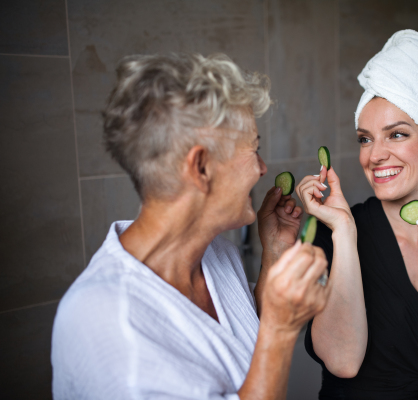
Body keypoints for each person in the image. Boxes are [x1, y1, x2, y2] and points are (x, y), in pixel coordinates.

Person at [51, 53, 330, 400]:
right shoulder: (107, 324)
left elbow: (235, 347)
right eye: (253, 150)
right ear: (200, 167)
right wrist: (282, 329)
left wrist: (273, 255)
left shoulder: (216, 253)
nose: (262, 168)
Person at [256, 30, 418, 399]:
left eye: (396, 135)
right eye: (365, 138)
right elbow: (343, 361)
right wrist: (345, 232)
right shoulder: (332, 232)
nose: (374, 155)